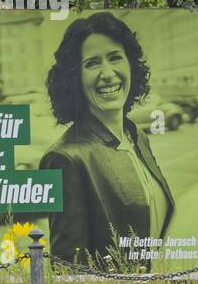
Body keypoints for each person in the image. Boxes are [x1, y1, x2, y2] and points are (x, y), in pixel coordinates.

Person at [40, 13, 174, 269]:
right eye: (92, 63)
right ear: (75, 79)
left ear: (130, 66)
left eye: (115, 58)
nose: (107, 73)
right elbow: (69, 267)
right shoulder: (65, 159)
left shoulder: (138, 138)